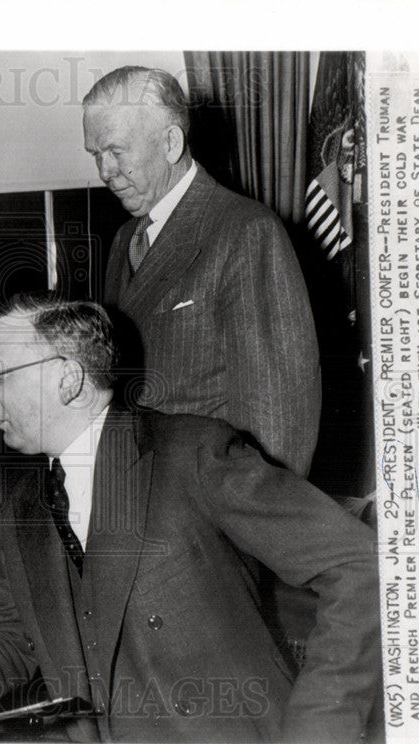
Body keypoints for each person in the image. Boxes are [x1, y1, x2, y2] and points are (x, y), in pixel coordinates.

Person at [0, 294, 381, 744]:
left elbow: (360, 567)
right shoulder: (19, 509)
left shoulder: (194, 455)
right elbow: (15, 642)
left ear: (68, 379)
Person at [83, 66, 320, 477]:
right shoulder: (125, 240)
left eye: (116, 152)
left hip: (208, 509)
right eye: (95, 155)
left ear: (171, 143)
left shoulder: (246, 231)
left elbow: (279, 426)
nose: (104, 171)